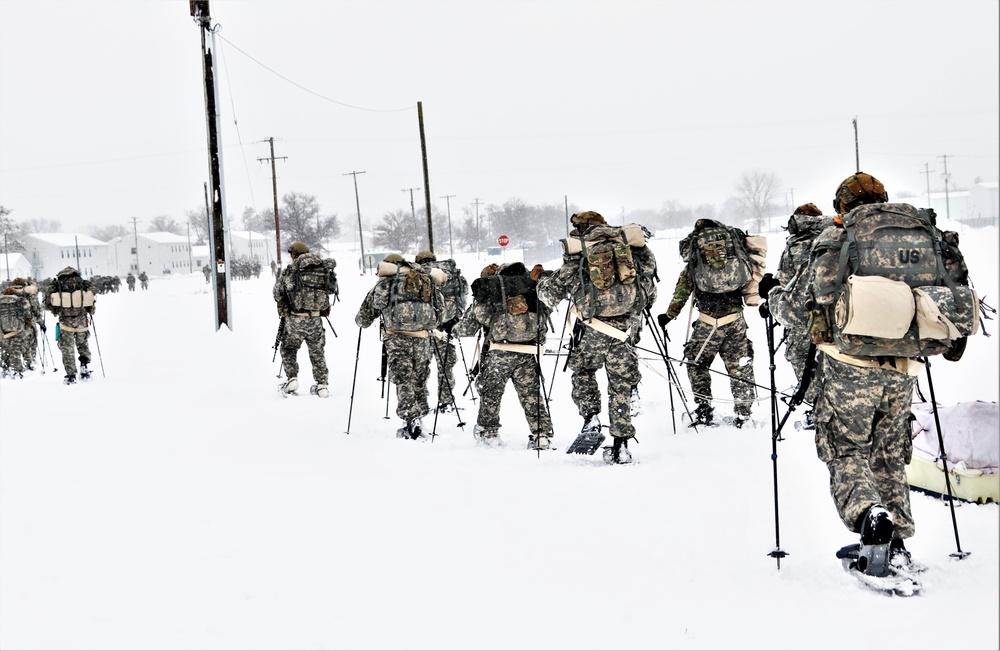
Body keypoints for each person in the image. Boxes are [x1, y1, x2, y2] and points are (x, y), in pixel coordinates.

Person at [807, 171, 972, 578]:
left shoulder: (840, 237)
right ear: (884, 197)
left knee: (846, 448)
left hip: (851, 366)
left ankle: (870, 517)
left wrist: (775, 298)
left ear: (842, 206)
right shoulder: (923, 232)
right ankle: (893, 542)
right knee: (889, 455)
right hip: (907, 368)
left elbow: (812, 300)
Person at [536, 211, 658, 464]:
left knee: (583, 371)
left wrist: (542, 280)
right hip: (625, 332)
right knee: (621, 386)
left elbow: (549, 296)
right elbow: (650, 292)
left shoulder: (580, 254)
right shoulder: (630, 251)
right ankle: (621, 445)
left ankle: (590, 418)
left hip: (591, 330)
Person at [657, 218, 760, 428]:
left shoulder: (696, 262)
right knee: (739, 367)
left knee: (696, 364)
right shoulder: (736, 254)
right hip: (736, 321)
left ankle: (704, 409)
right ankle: (744, 415)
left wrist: (669, 315)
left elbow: (682, 291)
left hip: (707, 323)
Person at [451, 261, 555, 450]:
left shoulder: (493, 291)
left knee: (491, 393)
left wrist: (453, 330)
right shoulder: (532, 289)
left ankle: (489, 432)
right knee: (531, 394)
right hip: (527, 351)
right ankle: (541, 434)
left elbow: (469, 326)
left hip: (499, 352)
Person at [355, 253, 445, 439]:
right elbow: (441, 313)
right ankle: (420, 414)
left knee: (404, 378)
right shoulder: (425, 281)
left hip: (396, 339)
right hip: (422, 338)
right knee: (420, 377)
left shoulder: (384, 285)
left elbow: (363, 318)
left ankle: (410, 419)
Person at [758, 203, 831, 429]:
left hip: (805, 315)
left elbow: (789, 282)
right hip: (836, 313)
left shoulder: (797, 245)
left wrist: (772, 296)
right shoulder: (833, 236)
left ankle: (821, 410)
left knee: (801, 358)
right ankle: (831, 406)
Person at [273, 241, 337, 397]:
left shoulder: (291, 271)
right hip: (315, 319)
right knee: (317, 352)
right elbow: (331, 289)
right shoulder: (321, 270)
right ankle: (322, 385)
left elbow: (277, 293)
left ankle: (292, 378)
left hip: (294, 319)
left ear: (294, 254)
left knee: (288, 349)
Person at [414, 250, 469, 413]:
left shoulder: (416, 275)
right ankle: (446, 400)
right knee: (445, 366)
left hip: (423, 329)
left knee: (420, 367)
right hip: (446, 327)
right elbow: (463, 296)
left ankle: (421, 402)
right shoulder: (452, 274)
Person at [45, 266, 96, 384]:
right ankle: (84, 367)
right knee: (82, 344)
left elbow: (48, 304)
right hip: (81, 321)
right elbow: (91, 300)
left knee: (67, 348)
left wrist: (55, 309)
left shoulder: (57, 284)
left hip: (65, 322)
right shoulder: (82, 283)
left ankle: (71, 375)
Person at [0, 284, 31, 378]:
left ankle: (5, 369)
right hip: (17, 329)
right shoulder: (19, 300)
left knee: (4, 350)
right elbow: (27, 314)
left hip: (3, 330)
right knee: (15, 350)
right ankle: (17, 371)